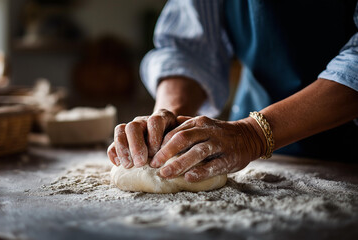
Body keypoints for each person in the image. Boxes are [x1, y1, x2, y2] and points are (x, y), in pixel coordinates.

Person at [107, 0, 358, 183]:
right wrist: (169, 128)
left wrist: (253, 134)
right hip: (259, 136)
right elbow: (189, 48)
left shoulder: (249, 136)